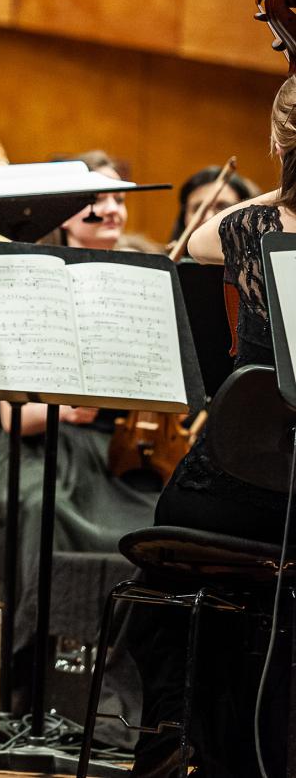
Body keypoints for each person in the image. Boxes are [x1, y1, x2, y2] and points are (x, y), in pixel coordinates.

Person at [128, 78, 296, 778]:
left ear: (278, 140)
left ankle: (177, 730)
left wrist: (281, 193)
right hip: (288, 506)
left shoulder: (245, 229)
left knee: (166, 570)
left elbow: (194, 242)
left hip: (221, 485)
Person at [0, 153, 160, 702]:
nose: (115, 209)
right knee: (36, 510)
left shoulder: (147, 281)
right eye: (101, 199)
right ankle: (32, 678)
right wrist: (65, 407)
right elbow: (3, 420)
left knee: (158, 521)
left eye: (122, 198)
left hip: (113, 462)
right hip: (46, 452)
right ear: (69, 213)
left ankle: (124, 684)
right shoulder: (32, 282)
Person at [167, 163, 256, 247]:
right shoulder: (170, 262)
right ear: (184, 217)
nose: (208, 218)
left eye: (222, 207)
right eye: (198, 209)